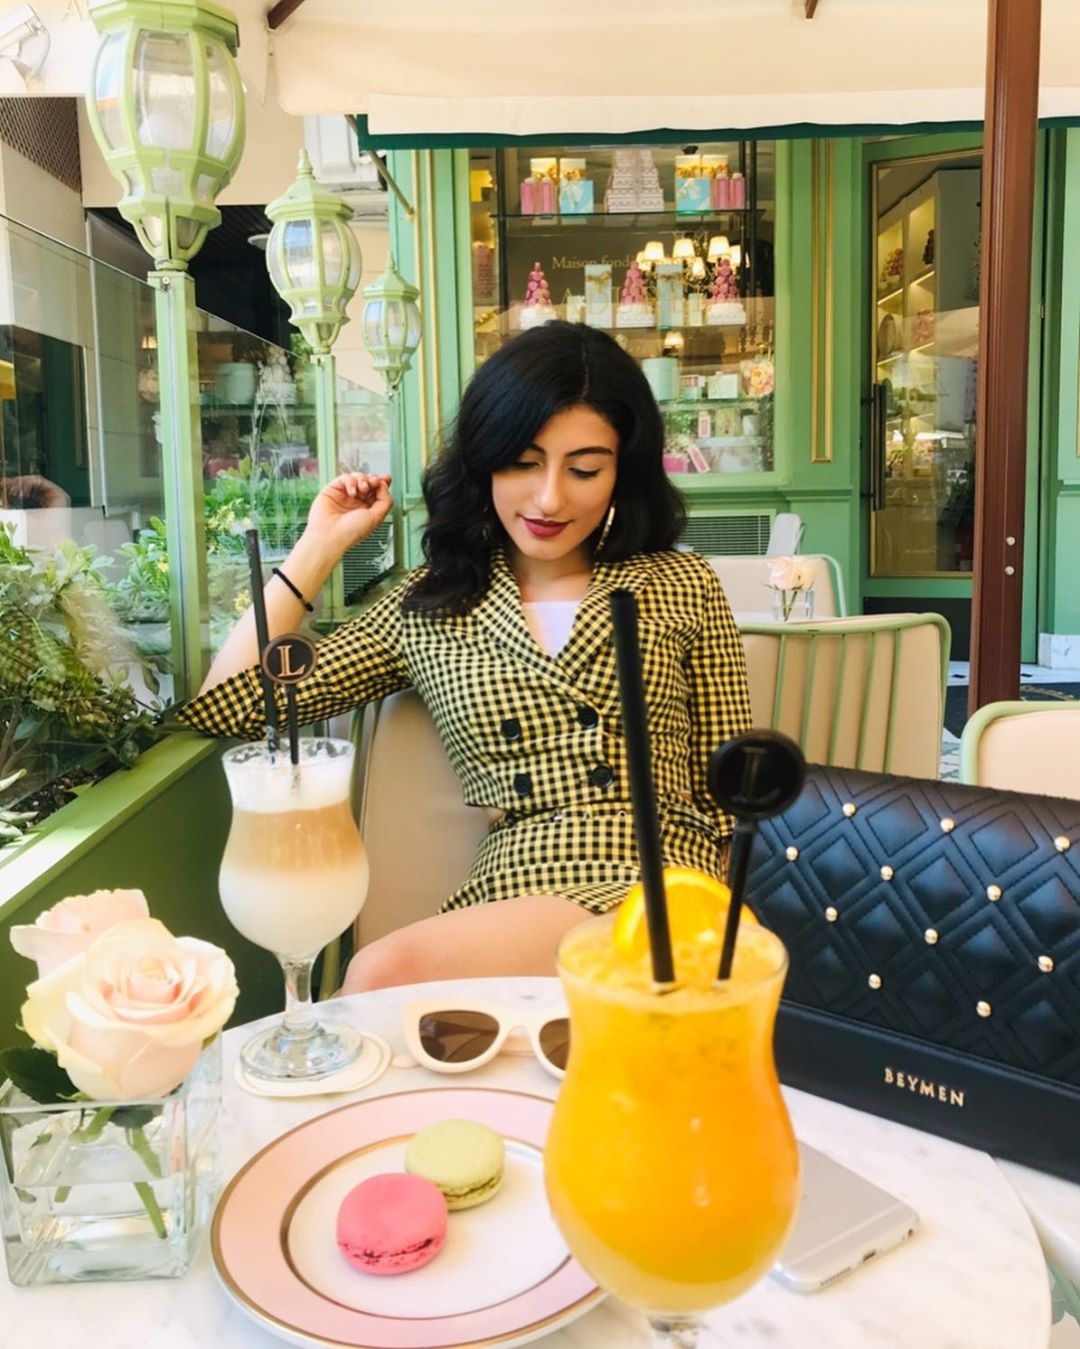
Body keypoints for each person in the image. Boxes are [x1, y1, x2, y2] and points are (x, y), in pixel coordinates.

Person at [178, 322, 752, 992]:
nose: (550, 498)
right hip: (512, 885)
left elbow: (730, 793)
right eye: (523, 462)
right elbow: (233, 705)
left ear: (623, 470)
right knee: (386, 985)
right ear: (484, 461)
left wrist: (727, 940)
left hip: (664, 883)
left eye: (585, 469)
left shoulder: (679, 582)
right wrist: (319, 547)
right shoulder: (432, 605)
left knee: (379, 975)